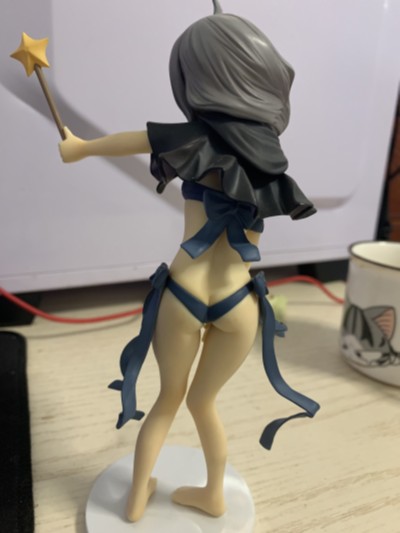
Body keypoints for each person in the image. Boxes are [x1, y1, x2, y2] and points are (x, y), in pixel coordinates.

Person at [59, 1, 319, 521]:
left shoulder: (193, 138)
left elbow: (132, 140)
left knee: (167, 401)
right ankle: (214, 495)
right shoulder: (273, 157)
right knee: (205, 404)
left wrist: (80, 147)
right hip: (240, 302)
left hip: (183, 294)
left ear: (195, 77)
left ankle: (136, 499)